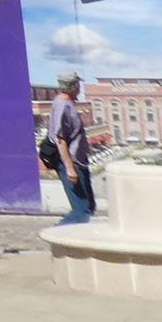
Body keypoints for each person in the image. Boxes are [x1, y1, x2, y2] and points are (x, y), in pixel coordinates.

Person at [47, 70, 96, 223]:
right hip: (71, 164)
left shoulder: (68, 103)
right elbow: (60, 139)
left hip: (79, 162)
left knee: (88, 207)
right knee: (81, 211)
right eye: (78, 84)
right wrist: (69, 168)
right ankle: (56, 233)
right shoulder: (62, 106)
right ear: (74, 86)